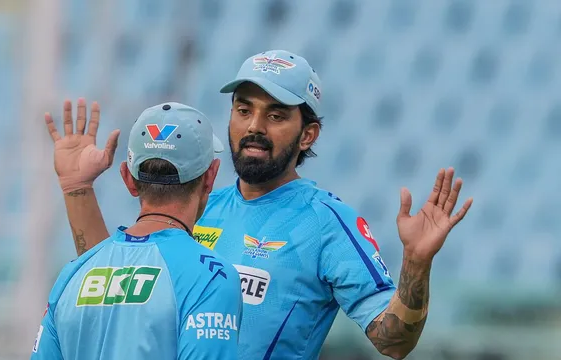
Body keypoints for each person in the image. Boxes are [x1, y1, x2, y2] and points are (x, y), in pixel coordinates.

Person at [49, 50, 473, 360]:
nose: (254, 126)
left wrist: (416, 263)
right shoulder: (195, 208)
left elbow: (393, 341)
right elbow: (112, 285)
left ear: (308, 135)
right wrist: (77, 189)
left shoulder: (327, 223)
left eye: (275, 115)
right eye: (243, 109)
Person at [31, 102, 242, 360]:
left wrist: (77, 187)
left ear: (128, 179)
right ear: (210, 176)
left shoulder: (71, 276)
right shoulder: (211, 277)